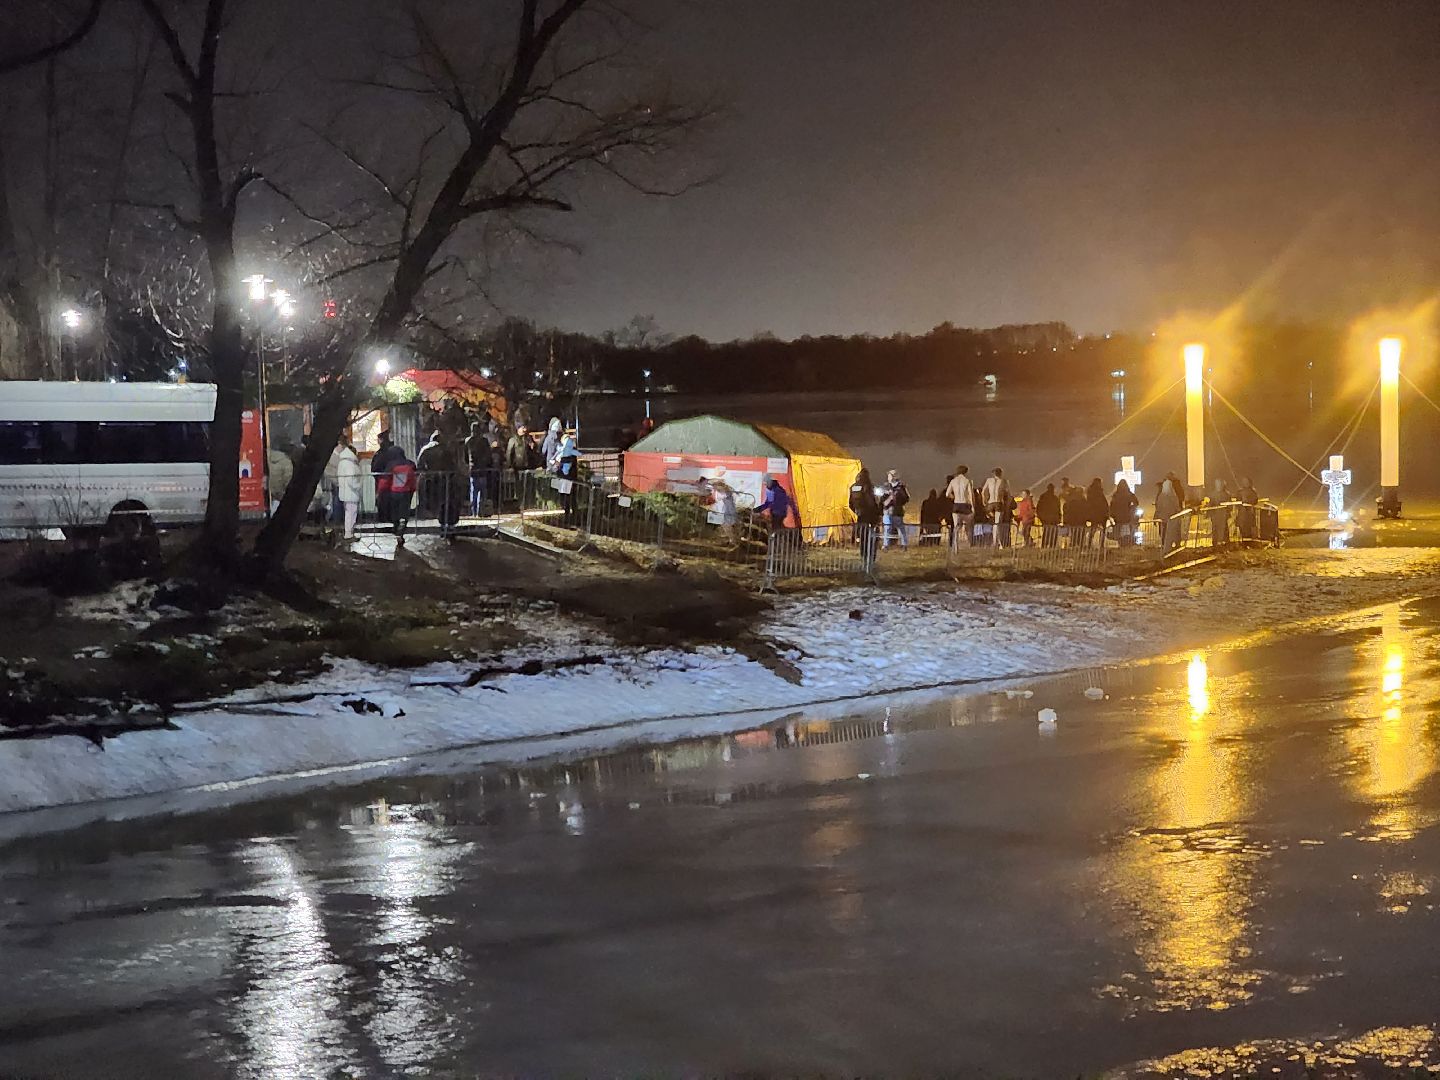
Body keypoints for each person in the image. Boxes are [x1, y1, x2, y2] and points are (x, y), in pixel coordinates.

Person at [418, 430, 462, 535]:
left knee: (435, 502)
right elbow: (452, 465)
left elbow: (420, 465)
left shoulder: (425, 449)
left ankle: (441, 522)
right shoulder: (445, 449)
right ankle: (447, 524)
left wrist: (427, 474)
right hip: (445, 479)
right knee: (446, 502)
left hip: (431, 480)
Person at [335, 435, 362, 540]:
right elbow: (352, 478)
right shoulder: (350, 462)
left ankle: (348, 532)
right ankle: (349, 533)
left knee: (348, 512)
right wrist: (358, 486)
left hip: (345, 490)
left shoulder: (342, 461)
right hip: (351, 492)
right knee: (351, 513)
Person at [464, 422, 493, 517]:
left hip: (473, 469)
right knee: (483, 491)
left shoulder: (468, 441)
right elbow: (488, 454)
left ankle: (474, 512)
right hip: (483, 469)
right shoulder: (484, 441)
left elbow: (465, 456)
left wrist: (469, 464)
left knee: (474, 491)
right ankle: (482, 511)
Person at [946, 465, 976, 548]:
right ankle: (970, 544)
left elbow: (947, 494)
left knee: (956, 527)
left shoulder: (953, 481)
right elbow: (970, 495)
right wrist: (973, 506)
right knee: (968, 527)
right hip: (965, 505)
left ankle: (955, 547)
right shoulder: (967, 481)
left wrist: (954, 497)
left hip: (956, 505)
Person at [981, 467, 1012, 547]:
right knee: (997, 524)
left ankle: (994, 542)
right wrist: (1007, 504)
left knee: (992, 523)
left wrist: (985, 502)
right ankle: (997, 542)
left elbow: (983, 491)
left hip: (990, 503)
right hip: (998, 503)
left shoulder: (989, 480)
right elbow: (1009, 494)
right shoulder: (1004, 481)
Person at [556, 427, 581, 525]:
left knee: (567, 498)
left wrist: (559, 473)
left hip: (567, 479)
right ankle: (574, 517)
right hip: (572, 478)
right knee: (573, 499)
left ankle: (568, 518)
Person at [881, 469, 910, 550]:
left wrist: (898, 499)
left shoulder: (901, 487)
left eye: (889, 475)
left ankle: (904, 545)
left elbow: (906, 498)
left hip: (897, 512)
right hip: (887, 511)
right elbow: (882, 500)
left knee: (901, 528)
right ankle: (886, 545)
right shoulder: (886, 486)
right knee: (887, 528)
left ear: (894, 477)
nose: (888, 477)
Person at [1155, 474, 1184, 552]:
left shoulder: (1161, 496)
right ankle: (1169, 548)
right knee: (1171, 533)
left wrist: (1156, 516)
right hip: (1171, 519)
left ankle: (1165, 548)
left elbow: (1158, 507)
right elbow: (1176, 506)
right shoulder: (1173, 496)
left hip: (1163, 519)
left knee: (1164, 533)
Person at [266, 442, 293, 516]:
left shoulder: (263, 456)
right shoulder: (286, 462)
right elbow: (288, 482)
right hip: (278, 498)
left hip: (264, 497)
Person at [1109, 478, 1139, 545]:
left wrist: (1112, 515)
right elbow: (1136, 502)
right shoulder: (1129, 494)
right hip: (1127, 516)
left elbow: (1112, 506)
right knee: (1128, 531)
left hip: (1118, 517)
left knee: (1119, 532)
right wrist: (1131, 507)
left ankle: (1121, 544)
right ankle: (1128, 543)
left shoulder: (1115, 495)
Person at [1062, 480, 1088, 546]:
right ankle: (1078, 546)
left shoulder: (1071, 501)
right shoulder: (1083, 501)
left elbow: (1067, 510)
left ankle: (1073, 545)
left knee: (1074, 535)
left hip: (1073, 521)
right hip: (1081, 521)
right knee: (1080, 536)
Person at [1085, 478, 1109, 548]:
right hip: (1101, 513)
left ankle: (1090, 543)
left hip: (1094, 514)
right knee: (1102, 530)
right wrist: (1106, 511)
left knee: (1093, 529)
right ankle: (1101, 544)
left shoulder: (1090, 492)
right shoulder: (1099, 492)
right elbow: (1103, 503)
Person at [1036, 482, 1061, 548]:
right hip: (1053, 520)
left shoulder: (1043, 497)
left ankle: (1044, 546)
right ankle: (1052, 546)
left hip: (1046, 519)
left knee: (1046, 533)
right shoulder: (1055, 498)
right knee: (1053, 534)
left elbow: (1039, 508)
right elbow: (1058, 510)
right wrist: (1058, 519)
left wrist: (1041, 517)